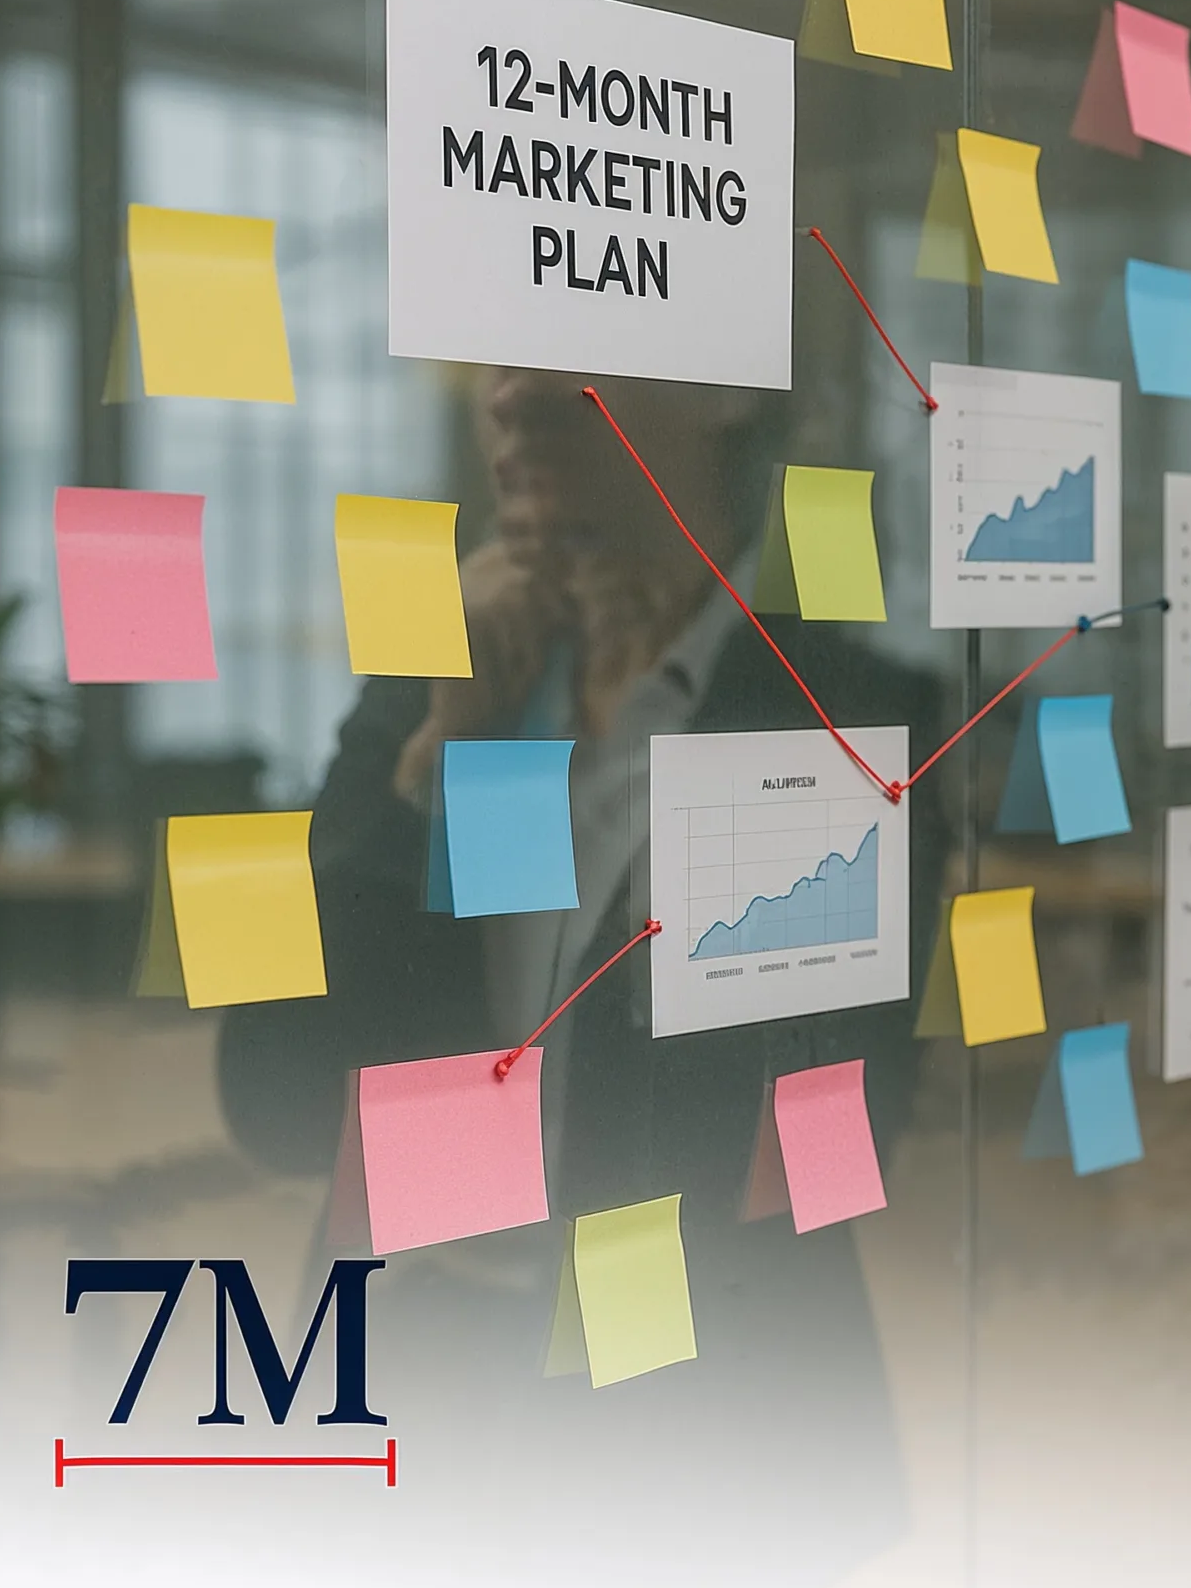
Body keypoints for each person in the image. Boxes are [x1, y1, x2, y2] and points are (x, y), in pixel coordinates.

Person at [216, 367, 948, 1584]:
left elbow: (842, 1138)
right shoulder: (434, 684)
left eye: (560, 335)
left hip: (708, 1443)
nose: (505, 392)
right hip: (429, 1405)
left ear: (717, 382)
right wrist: (437, 776)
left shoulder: (838, 711)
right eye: (483, 358)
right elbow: (277, 1098)